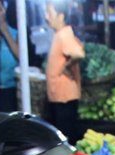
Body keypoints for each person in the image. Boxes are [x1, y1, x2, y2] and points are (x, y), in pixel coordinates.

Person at [44, 0, 84, 136]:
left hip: (65, 97)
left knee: (65, 137)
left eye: (49, 13)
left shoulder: (64, 34)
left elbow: (78, 54)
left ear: (60, 16)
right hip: (59, 97)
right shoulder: (59, 34)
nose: (46, 17)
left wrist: (66, 66)